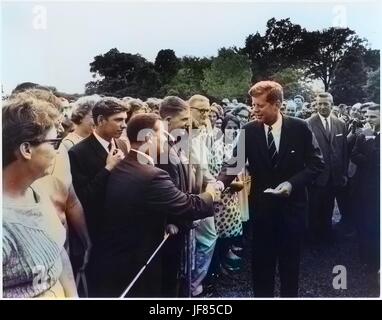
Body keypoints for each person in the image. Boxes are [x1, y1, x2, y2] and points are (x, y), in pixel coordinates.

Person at [92, 113, 218, 297]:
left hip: (117, 257)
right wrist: (211, 193)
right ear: (149, 138)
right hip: (138, 260)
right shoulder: (151, 175)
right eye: (163, 134)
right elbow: (188, 205)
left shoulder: (122, 164)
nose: (168, 139)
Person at [217, 81, 324, 297]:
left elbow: (316, 164)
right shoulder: (248, 130)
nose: (253, 110)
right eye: (252, 105)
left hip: (292, 210)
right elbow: (234, 164)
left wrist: (291, 184)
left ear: (277, 104)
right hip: (262, 211)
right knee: (261, 268)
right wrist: (219, 183)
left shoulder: (300, 128)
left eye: (259, 105)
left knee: (290, 267)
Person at [2, 95, 77, 298]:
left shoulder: (35, 191)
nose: (56, 151)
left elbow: (57, 252)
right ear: (26, 149)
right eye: (53, 143)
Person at [68, 97, 129, 296]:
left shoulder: (121, 144)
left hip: (121, 230)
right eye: (118, 120)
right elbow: (83, 197)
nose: (124, 124)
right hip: (98, 232)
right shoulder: (77, 153)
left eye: (125, 119)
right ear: (101, 120)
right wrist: (108, 168)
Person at [306, 93, 348, 243]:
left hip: (334, 176)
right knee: (314, 210)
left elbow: (344, 151)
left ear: (332, 104)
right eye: (320, 104)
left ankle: (327, 235)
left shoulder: (340, 124)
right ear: (316, 105)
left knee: (329, 207)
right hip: (317, 177)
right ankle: (314, 240)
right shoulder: (308, 124)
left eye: (326, 103)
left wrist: (343, 173)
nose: (322, 106)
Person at [351, 104, 380, 290]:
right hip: (363, 185)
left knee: (376, 222)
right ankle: (365, 256)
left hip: (378, 187)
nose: (368, 120)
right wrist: (367, 157)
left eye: (373, 117)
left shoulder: (367, 136)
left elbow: (377, 159)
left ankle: (376, 257)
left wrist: (368, 147)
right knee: (363, 220)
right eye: (367, 116)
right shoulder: (362, 134)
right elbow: (353, 155)